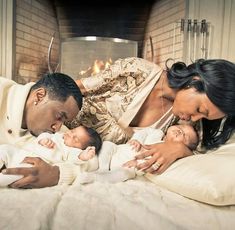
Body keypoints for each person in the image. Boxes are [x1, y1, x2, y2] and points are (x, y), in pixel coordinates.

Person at [68, 57, 235, 175]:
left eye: (204, 118)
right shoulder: (138, 70)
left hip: (87, 161)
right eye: (199, 109)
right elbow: (76, 88)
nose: (195, 119)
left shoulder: (183, 126)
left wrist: (179, 148)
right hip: (63, 129)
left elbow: (198, 156)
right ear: (194, 81)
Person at [0, 72, 83, 188]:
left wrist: (56, 174)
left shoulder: (58, 135)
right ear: (39, 96)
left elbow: (84, 163)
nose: (57, 127)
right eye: (59, 116)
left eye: (63, 121)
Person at [78, 123, 199, 184]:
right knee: (107, 145)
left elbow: (150, 165)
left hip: (129, 166)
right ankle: (101, 169)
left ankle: (98, 178)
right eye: (180, 127)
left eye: (185, 136)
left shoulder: (168, 157)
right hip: (118, 151)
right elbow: (144, 132)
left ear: (184, 147)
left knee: (125, 174)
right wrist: (137, 140)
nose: (179, 131)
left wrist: (137, 164)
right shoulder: (156, 133)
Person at [0, 125, 102, 187]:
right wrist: (43, 140)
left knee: (16, 174)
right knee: (5, 149)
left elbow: (76, 158)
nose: (70, 134)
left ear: (80, 148)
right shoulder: (58, 135)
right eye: (73, 131)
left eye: (75, 139)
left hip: (33, 165)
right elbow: (44, 135)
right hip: (21, 153)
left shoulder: (70, 151)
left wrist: (84, 156)